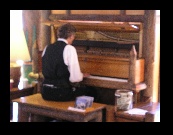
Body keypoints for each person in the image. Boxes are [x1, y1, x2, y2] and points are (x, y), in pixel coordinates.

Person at [41, 23, 90, 101]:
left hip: (45, 92)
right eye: (74, 37)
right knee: (90, 91)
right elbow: (75, 78)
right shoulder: (69, 48)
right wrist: (81, 75)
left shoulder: (47, 47)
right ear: (71, 36)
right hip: (61, 93)